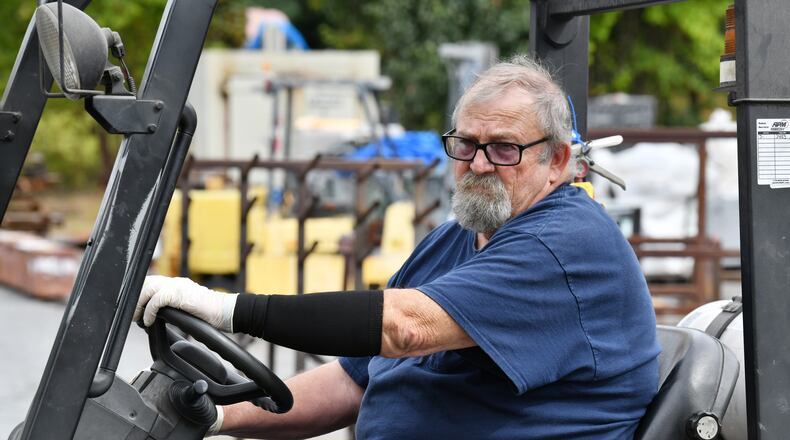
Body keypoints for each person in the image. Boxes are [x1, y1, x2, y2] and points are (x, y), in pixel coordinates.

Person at [135, 55, 660, 439]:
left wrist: (228, 308)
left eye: (504, 148)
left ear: (557, 159)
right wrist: (220, 414)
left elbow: (404, 329)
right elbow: (354, 380)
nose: (478, 164)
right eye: (466, 144)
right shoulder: (453, 240)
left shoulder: (565, 244)